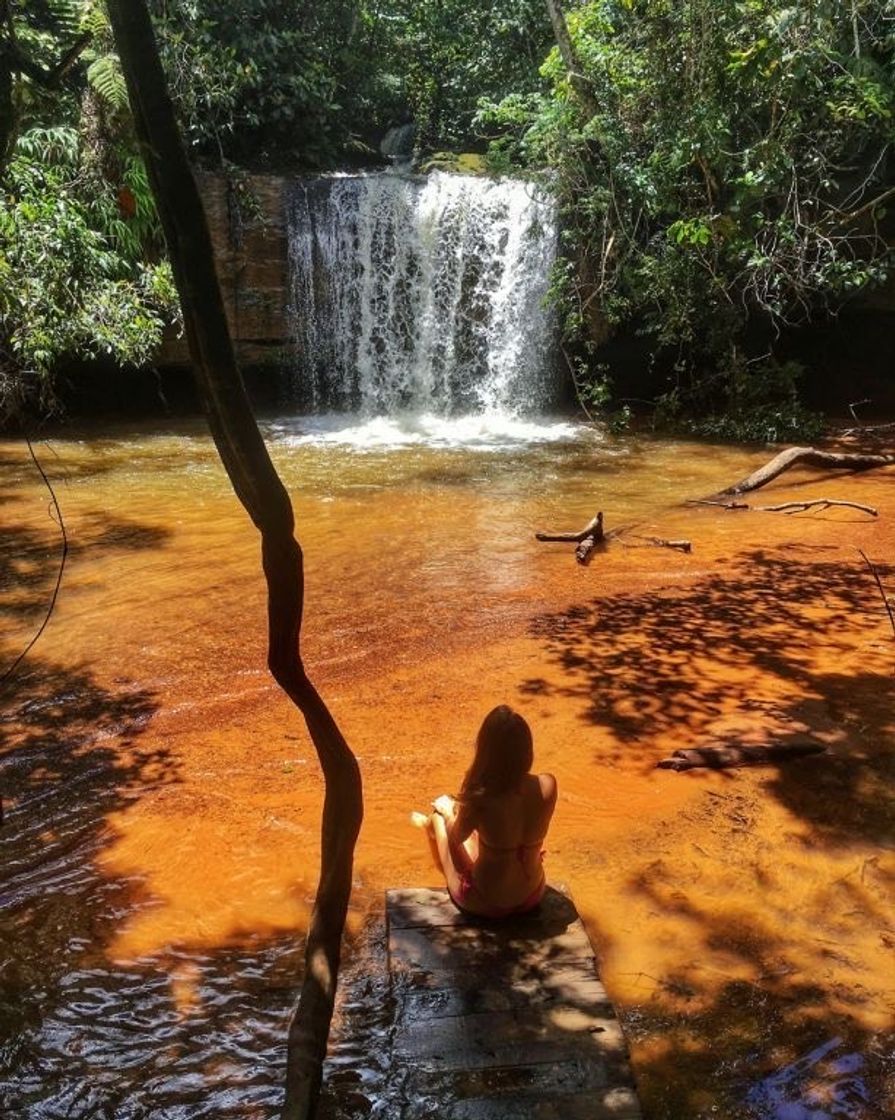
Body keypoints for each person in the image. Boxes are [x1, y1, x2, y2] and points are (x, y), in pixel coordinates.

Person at [414, 705, 557, 918]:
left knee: (440, 817)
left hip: (484, 901)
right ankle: (437, 822)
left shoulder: (480, 794)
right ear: (527, 749)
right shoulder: (548, 785)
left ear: (486, 750)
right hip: (533, 894)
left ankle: (430, 825)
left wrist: (447, 813)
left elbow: (456, 839)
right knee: (487, 839)